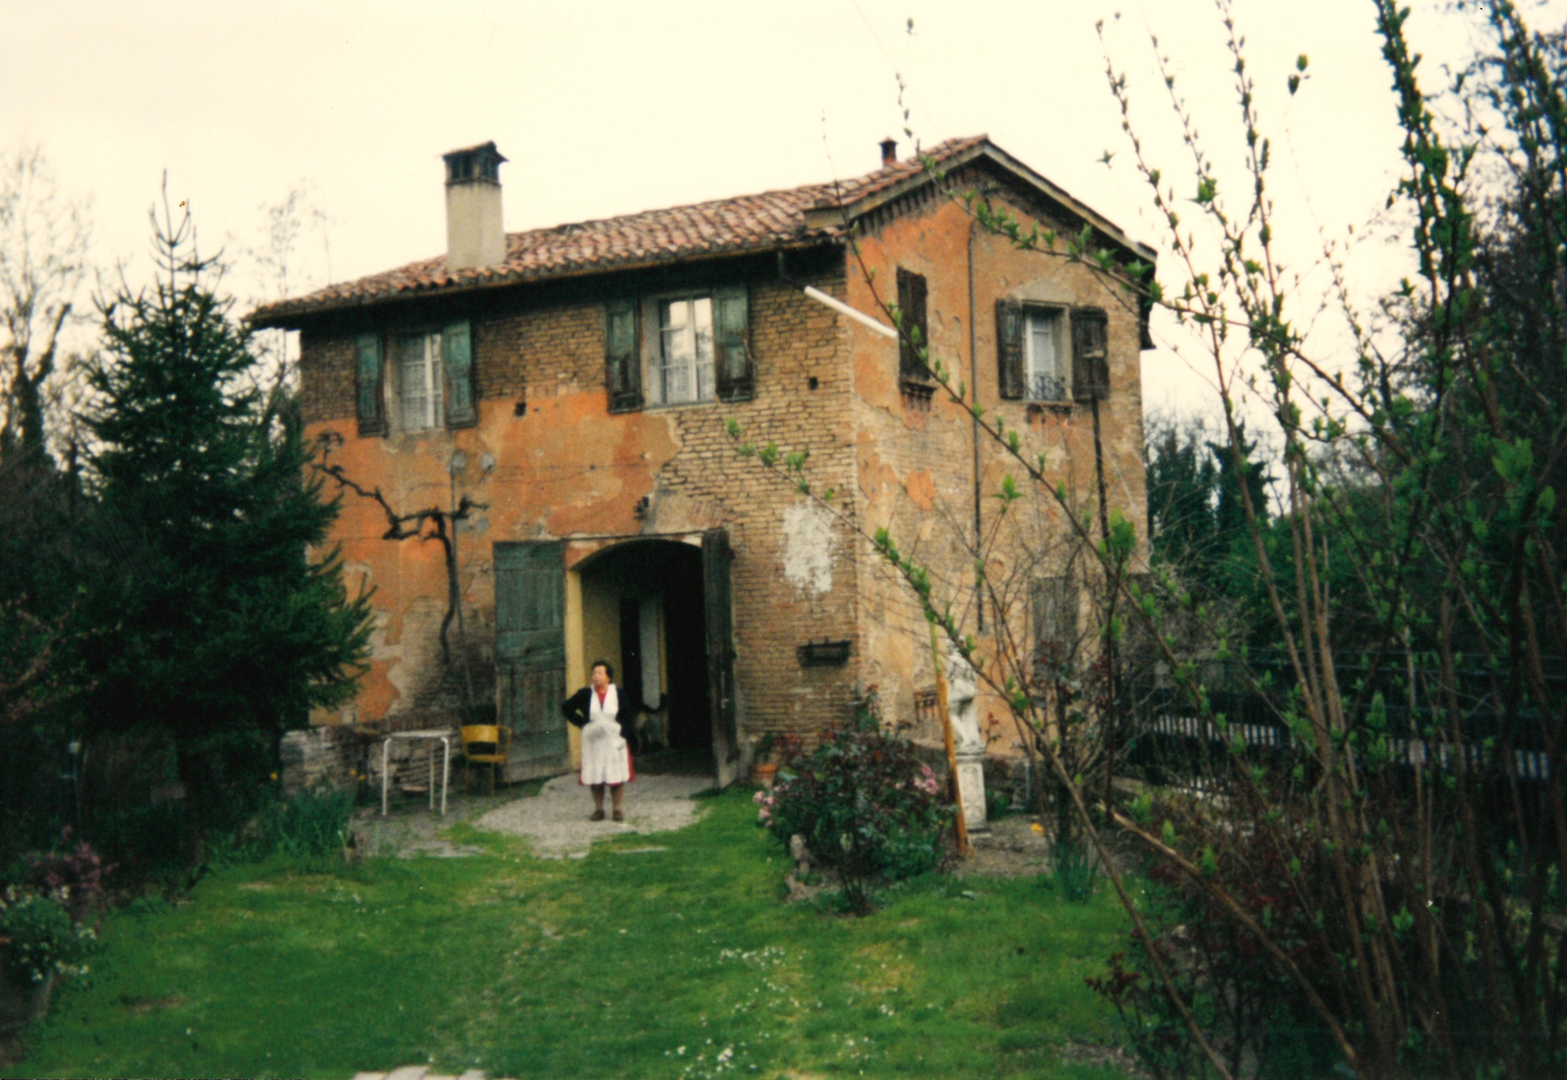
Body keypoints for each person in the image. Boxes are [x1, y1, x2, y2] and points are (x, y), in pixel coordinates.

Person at [561, 659, 633, 821]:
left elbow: (628, 716)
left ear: (608, 677)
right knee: (596, 776)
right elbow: (566, 708)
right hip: (594, 742)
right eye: (594, 673)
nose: (596, 676)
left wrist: (623, 735)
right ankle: (598, 809)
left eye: (600, 673)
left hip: (614, 741)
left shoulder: (618, 693)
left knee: (616, 776)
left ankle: (617, 809)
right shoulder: (586, 694)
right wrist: (582, 723)